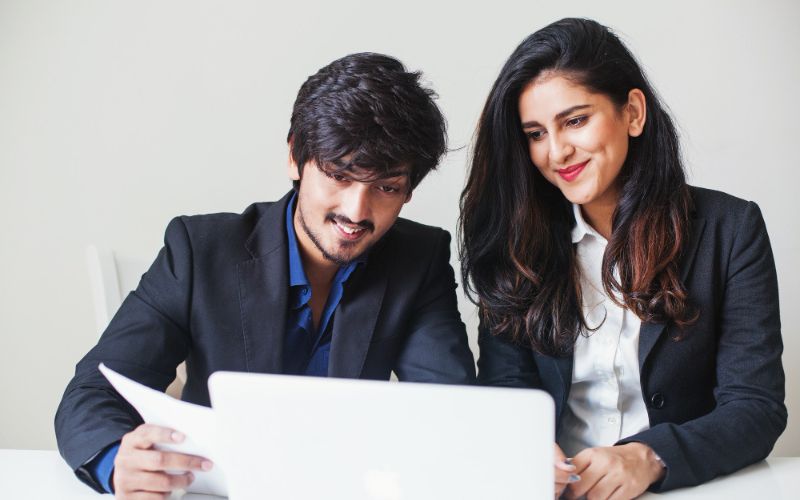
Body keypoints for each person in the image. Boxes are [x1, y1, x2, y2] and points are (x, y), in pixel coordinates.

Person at [56, 52, 476, 498]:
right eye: (338, 176)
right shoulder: (199, 250)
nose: (356, 211)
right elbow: (91, 394)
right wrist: (116, 460)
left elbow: (450, 409)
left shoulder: (420, 257)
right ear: (296, 157)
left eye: (387, 188)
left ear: (408, 191)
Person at [459, 18, 785, 499]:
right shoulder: (517, 244)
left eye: (575, 120)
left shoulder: (730, 229)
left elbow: (755, 407)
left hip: (680, 490)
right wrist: (522, 447)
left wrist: (650, 456)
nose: (557, 151)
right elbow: (507, 389)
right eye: (534, 133)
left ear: (632, 112)